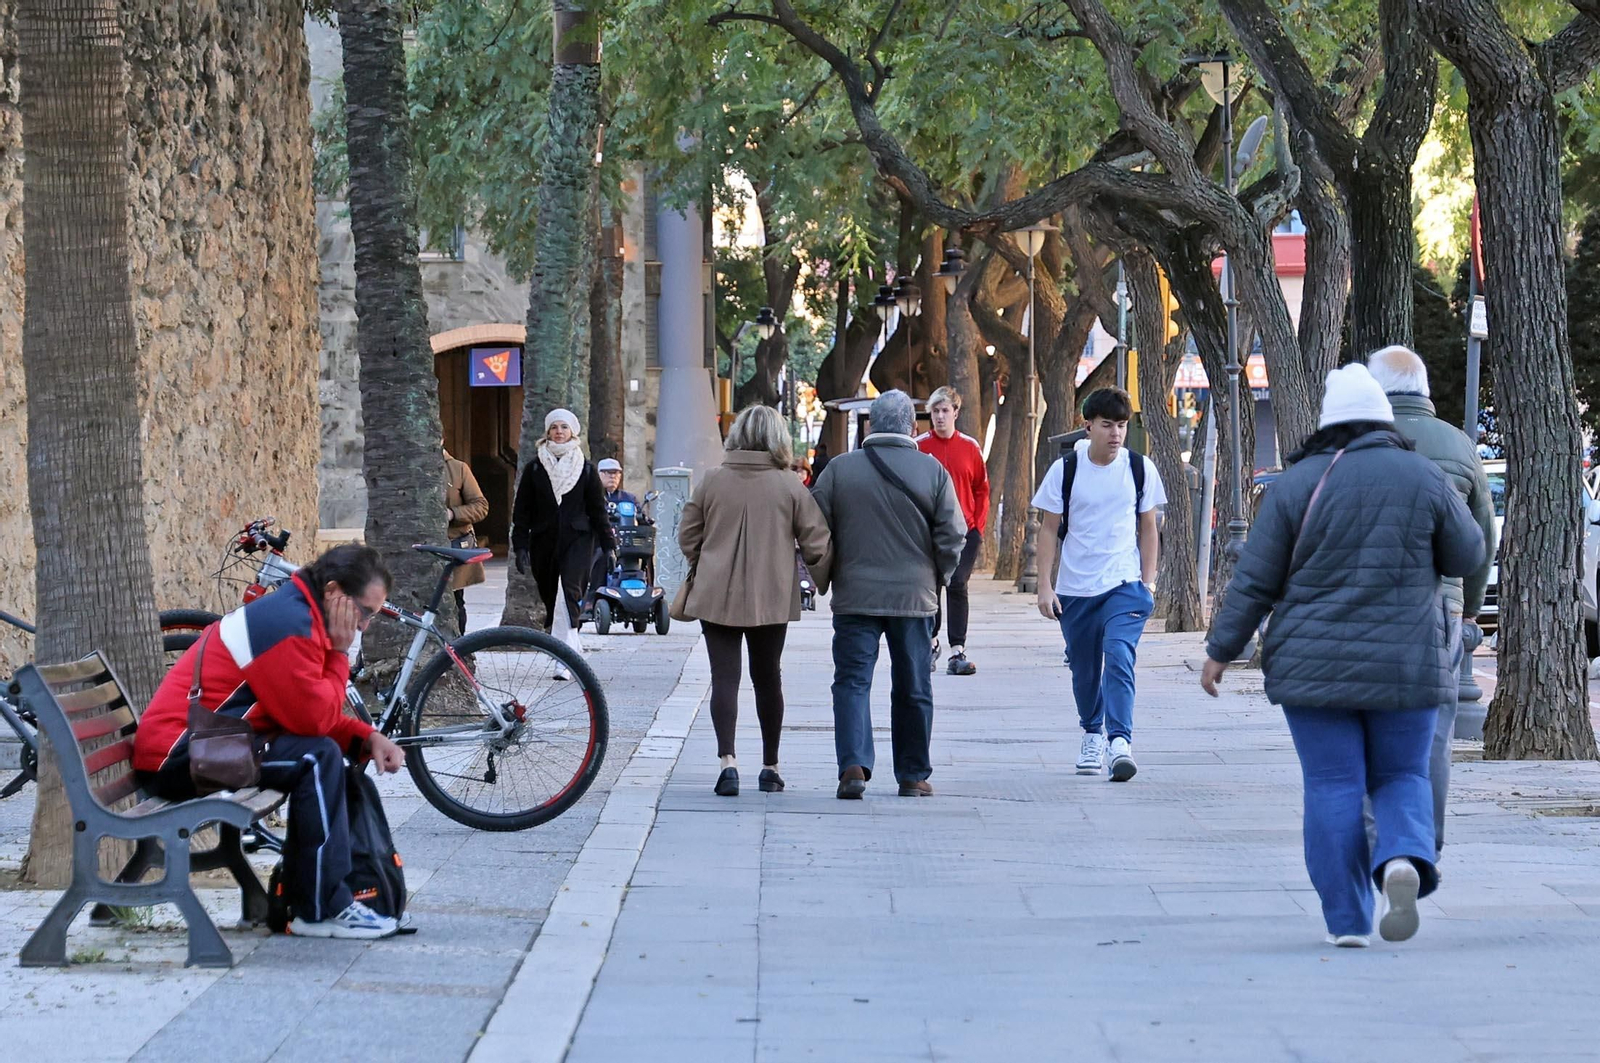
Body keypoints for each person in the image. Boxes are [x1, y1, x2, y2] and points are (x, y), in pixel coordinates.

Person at [1202, 364, 1483, 948]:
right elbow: (1467, 554)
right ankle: (1402, 857)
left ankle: (1347, 919)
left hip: (1313, 668)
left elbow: (1254, 580)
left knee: (1332, 783)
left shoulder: (1296, 484)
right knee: (1402, 772)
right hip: (1409, 662)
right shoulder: (1424, 476)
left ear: (1328, 423)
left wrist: (1220, 652)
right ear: (1384, 419)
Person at [133, 545, 408, 940]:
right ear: (332, 590)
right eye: (364, 612)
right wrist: (340, 653)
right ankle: (320, 909)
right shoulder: (286, 624)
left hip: (208, 746)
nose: (363, 625)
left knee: (319, 755)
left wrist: (367, 737)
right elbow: (312, 720)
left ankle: (316, 900)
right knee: (317, 758)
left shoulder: (300, 613)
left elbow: (303, 712)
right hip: (176, 759)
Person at [1368, 345, 1497, 860]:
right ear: (1424, 391)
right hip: (1440, 609)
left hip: (1371, 607)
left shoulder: (1360, 444)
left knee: (1370, 727)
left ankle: (1379, 840)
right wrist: (1469, 608)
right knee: (1435, 734)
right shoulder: (1460, 446)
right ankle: (1426, 844)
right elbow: (1482, 539)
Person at [812, 390, 966, 799]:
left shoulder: (839, 471)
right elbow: (954, 533)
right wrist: (939, 575)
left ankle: (853, 766)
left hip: (854, 596)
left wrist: (827, 574)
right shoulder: (932, 472)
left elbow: (813, 529)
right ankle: (913, 774)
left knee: (851, 682)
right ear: (912, 427)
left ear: (870, 426)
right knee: (914, 684)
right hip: (913, 598)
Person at [678, 406, 833, 797]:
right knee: (768, 679)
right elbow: (816, 541)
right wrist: (824, 579)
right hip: (771, 595)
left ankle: (727, 763)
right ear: (778, 438)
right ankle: (770, 765)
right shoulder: (790, 486)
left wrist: (706, 562)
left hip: (715, 593)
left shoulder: (713, 481)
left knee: (723, 678)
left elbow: (687, 534)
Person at [1033, 388, 1166, 782]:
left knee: (1119, 654)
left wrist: (1148, 583)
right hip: (1076, 588)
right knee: (1085, 670)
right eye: (1107, 425)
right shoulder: (1066, 470)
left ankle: (1120, 741)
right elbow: (1049, 528)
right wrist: (1044, 584)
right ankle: (1092, 733)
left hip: (1124, 584)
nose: (1116, 434)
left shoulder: (1140, 469)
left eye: (1122, 426)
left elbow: (1149, 527)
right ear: (1087, 425)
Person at [511, 408, 615, 631]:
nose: (559, 432)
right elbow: (522, 511)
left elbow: (598, 512)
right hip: (543, 541)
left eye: (564, 427)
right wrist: (519, 546)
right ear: (547, 432)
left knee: (570, 592)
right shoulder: (535, 468)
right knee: (550, 596)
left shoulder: (586, 469)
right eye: (554, 427)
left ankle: (567, 647)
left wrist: (609, 547)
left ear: (573, 432)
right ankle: (561, 644)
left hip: (578, 540)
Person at [917, 386, 990, 676]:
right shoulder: (920, 446)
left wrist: (979, 527)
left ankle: (957, 649)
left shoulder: (970, 448)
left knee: (957, 583)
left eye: (945, 410)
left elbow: (982, 488)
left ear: (956, 413)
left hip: (966, 530)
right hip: (930, 531)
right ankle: (931, 642)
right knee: (932, 586)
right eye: (935, 411)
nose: (940, 416)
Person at [444, 443, 489, 632]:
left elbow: (481, 506)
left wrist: (453, 514)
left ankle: (459, 650)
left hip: (452, 547)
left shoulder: (457, 468)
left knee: (455, 603)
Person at [588, 457, 638, 613]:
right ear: (599, 475)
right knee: (602, 556)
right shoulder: (592, 496)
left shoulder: (628, 498)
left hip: (625, 541)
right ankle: (592, 596)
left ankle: (638, 593)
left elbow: (640, 515)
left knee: (642, 555)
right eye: (608, 473)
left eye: (616, 474)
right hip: (600, 541)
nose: (613, 477)